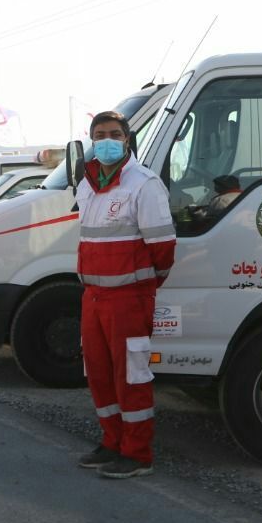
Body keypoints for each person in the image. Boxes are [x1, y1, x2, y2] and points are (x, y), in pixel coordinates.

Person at [75, 110, 176, 479]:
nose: (107, 139)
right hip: (94, 296)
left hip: (129, 298)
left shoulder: (143, 184)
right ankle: (112, 442)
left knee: (131, 376)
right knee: (99, 374)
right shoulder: (87, 184)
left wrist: (144, 284)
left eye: (114, 133)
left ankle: (137, 453)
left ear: (127, 139)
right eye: (99, 133)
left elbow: (163, 247)